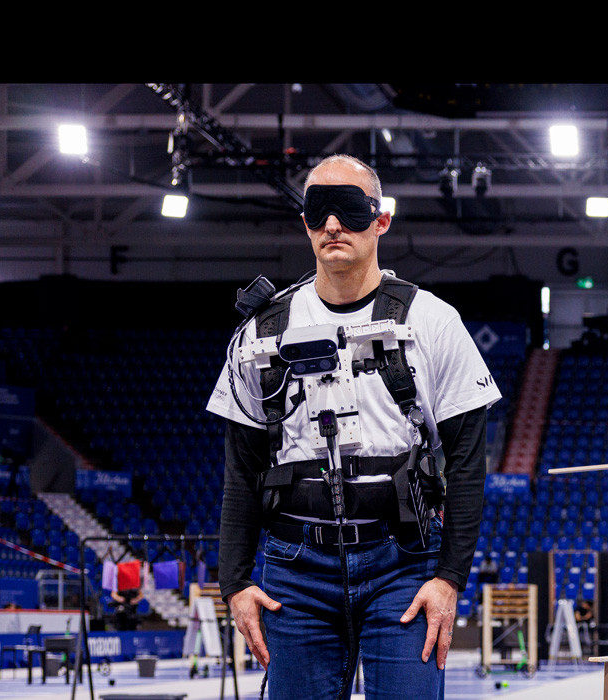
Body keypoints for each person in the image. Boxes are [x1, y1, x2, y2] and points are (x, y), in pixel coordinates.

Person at [207, 154, 502, 700]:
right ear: (305, 222)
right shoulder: (259, 334)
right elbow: (240, 470)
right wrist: (235, 583)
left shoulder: (433, 321)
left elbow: (467, 463)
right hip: (294, 570)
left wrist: (449, 578)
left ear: (381, 220)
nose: (333, 225)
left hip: (404, 563)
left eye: (348, 209)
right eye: (319, 211)